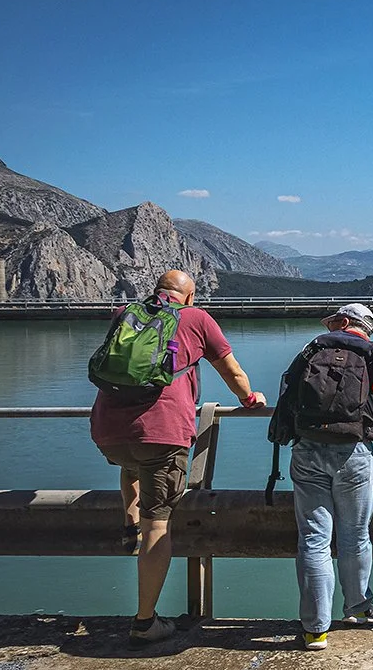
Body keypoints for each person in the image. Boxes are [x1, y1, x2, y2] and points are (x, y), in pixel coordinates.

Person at [90, 270, 266, 647]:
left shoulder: (125, 313)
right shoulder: (197, 318)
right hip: (162, 432)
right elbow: (231, 371)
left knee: (132, 465)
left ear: (156, 291)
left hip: (109, 430)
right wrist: (250, 398)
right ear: (189, 296)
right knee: (159, 524)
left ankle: (129, 525)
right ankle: (145, 622)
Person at [270, 302, 373, 651]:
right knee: (355, 536)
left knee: (313, 540)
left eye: (334, 321)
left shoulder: (311, 350)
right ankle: (358, 609)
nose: (330, 327)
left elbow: (288, 396)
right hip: (355, 453)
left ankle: (315, 630)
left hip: (307, 451)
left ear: (344, 321)